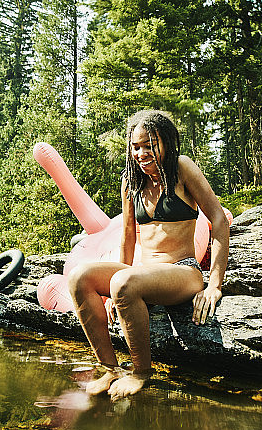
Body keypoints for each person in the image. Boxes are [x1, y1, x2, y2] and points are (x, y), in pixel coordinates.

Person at [68, 110, 229, 400]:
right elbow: (128, 236)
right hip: (143, 273)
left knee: (124, 283)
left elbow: (218, 219)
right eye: (136, 146)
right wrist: (113, 291)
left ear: (165, 142)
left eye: (150, 144)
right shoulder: (131, 180)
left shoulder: (181, 168)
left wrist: (214, 285)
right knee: (80, 277)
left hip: (183, 272)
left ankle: (141, 371)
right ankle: (110, 368)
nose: (142, 153)